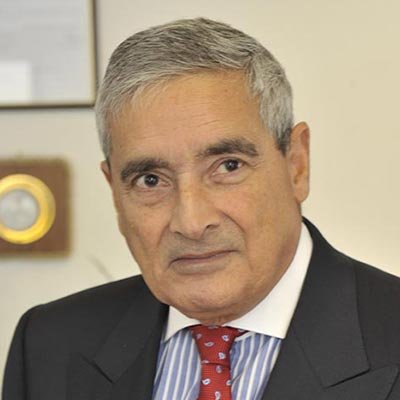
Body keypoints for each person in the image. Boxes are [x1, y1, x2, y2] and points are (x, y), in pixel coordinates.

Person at [3, 18, 400, 400]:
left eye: (228, 166)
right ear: (115, 193)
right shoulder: (49, 346)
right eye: (151, 180)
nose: (191, 223)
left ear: (296, 164)